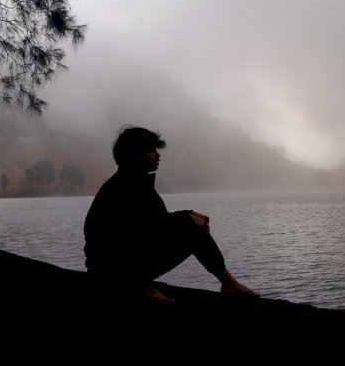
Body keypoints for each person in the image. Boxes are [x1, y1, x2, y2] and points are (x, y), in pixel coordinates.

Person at [84, 125, 259, 303]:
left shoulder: (133, 181)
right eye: (152, 151)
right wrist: (187, 219)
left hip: (120, 264)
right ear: (136, 155)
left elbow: (154, 221)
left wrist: (189, 214)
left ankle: (228, 283)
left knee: (191, 227)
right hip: (113, 272)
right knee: (192, 231)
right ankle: (137, 288)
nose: (158, 156)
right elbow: (147, 229)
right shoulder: (125, 187)